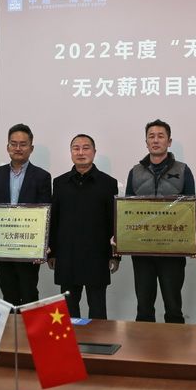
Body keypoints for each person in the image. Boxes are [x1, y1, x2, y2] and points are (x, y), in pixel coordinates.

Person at [125, 119, 195, 323]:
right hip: (142, 250)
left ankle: (175, 344)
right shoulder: (135, 172)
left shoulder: (183, 170)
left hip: (172, 249)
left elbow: (191, 209)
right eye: (151, 136)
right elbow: (127, 210)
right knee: (144, 307)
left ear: (169, 141)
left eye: (160, 136)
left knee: (173, 307)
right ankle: (144, 344)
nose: (156, 140)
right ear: (146, 142)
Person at [48, 134, 119, 319]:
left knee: (97, 310)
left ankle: (98, 339)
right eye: (76, 148)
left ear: (94, 152)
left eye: (86, 148)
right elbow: (54, 220)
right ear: (71, 152)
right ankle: (73, 339)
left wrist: (114, 255)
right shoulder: (59, 183)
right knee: (69, 312)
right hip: (67, 256)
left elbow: (113, 222)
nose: (80, 152)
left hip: (97, 256)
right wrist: (51, 252)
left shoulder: (108, 183)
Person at [0, 124, 51, 306]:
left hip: (28, 245)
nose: (18, 148)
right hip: (2, 244)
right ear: (7, 147)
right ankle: (12, 324)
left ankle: (30, 325)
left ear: (31, 148)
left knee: (29, 291)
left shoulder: (42, 176)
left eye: (23, 144)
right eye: (13, 144)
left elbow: (46, 212)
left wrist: (43, 244)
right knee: (8, 294)